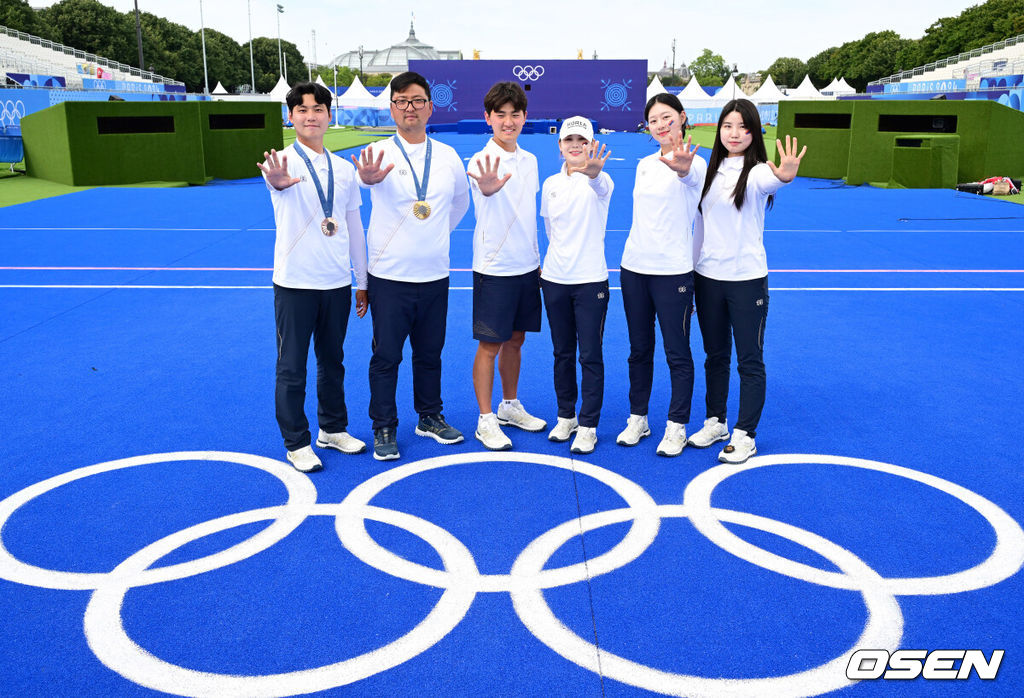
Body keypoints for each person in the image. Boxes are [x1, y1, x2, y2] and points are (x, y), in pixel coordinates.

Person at [351, 71, 470, 461]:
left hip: (435, 275)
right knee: (386, 356)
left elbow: (459, 205)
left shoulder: (448, 156)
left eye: (417, 100)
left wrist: (433, 233)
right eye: (401, 101)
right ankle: (384, 425)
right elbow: (359, 190)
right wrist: (365, 180)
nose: (410, 108)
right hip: (389, 277)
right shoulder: (377, 154)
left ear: (430, 107)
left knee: (430, 353)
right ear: (391, 109)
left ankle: (429, 416)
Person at [257, 82, 368, 473]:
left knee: (333, 360)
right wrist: (278, 182)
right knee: (292, 366)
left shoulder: (343, 169)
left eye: (318, 108)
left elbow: (354, 226)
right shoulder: (281, 163)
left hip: (336, 282)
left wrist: (363, 280)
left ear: (328, 115)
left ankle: (333, 429)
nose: (311, 116)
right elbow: (275, 182)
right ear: (291, 117)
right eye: (302, 110)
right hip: (295, 284)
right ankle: (296, 441)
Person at [688, 98, 806, 464]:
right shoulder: (709, 171)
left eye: (743, 127)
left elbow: (774, 179)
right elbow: (699, 229)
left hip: (746, 281)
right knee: (715, 356)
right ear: (718, 129)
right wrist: (691, 275)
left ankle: (745, 433)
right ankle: (716, 422)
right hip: (708, 278)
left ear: (754, 133)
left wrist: (784, 175)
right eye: (728, 126)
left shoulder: (755, 174)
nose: (734, 133)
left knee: (749, 360)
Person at [616, 93, 706, 457]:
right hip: (634, 269)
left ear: (682, 118)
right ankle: (638, 417)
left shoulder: (696, 164)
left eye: (666, 117)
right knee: (639, 351)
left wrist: (683, 168)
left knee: (677, 352)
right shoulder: (643, 164)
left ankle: (676, 425)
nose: (660, 125)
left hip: (673, 273)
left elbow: (688, 181)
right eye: (653, 120)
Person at [466, 81, 546, 451]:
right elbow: (484, 193)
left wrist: (538, 259)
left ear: (524, 117)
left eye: (515, 114)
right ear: (488, 118)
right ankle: (485, 419)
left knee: (516, 339)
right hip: (494, 268)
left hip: (527, 266)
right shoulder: (480, 162)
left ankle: (509, 405)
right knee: (490, 345)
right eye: (501, 114)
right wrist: (486, 188)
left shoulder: (530, 162)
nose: (509, 121)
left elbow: (526, 214)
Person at [539, 116, 612, 455]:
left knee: (590, 355)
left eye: (582, 141)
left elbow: (598, 184)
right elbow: (550, 230)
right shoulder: (550, 183)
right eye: (569, 140)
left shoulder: (602, 180)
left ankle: (588, 425)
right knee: (562, 353)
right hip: (554, 280)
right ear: (560, 146)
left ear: (591, 144)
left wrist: (593, 173)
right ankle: (565, 415)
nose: (575, 146)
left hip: (590, 282)